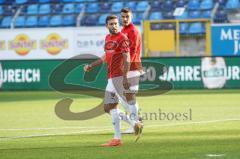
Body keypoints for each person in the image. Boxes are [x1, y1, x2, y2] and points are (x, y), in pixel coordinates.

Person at [84, 15, 143, 147]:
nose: (115, 26)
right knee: (107, 108)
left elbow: (127, 58)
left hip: (118, 78)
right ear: (107, 26)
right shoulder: (108, 38)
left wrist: (125, 77)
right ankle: (134, 124)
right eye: (111, 24)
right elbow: (106, 56)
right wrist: (92, 65)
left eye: (116, 23)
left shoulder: (122, 38)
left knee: (112, 106)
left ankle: (117, 138)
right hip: (111, 77)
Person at [120, 8, 144, 134]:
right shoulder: (123, 30)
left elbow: (132, 53)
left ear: (132, 16)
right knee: (123, 97)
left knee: (129, 97)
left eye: (127, 16)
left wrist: (125, 70)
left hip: (132, 68)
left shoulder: (133, 31)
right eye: (123, 16)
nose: (125, 19)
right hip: (127, 69)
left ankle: (136, 124)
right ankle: (137, 121)